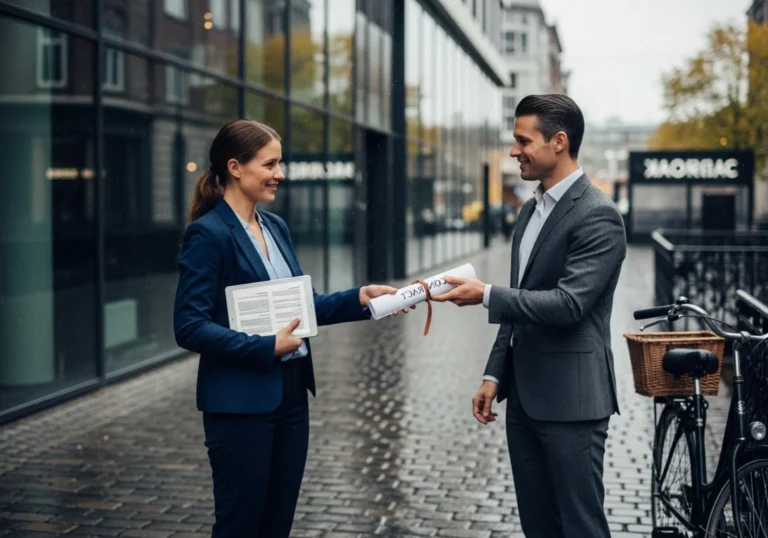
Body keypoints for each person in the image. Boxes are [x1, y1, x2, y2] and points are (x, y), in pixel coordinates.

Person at [173, 119, 410, 537]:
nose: (279, 174)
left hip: (290, 398)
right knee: (240, 525)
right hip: (240, 407)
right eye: (270, 164)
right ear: (234, 167)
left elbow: (304, 306)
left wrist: (360, 298)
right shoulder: (207, 234)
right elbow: (189, 326)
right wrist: (266, 346)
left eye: (279, 164)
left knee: (277, 523)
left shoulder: (275, 228)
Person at [432, 94, 626, 538]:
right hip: (522, 400)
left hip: (573, 404)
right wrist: (494, 374)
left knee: (581, 528)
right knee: (538, 528)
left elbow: (569, 305)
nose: (514, 151)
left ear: (559, 142)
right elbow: (521, 301)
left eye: (523, 140)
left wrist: (486, 295)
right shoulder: (530, 209)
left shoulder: (599, 216)